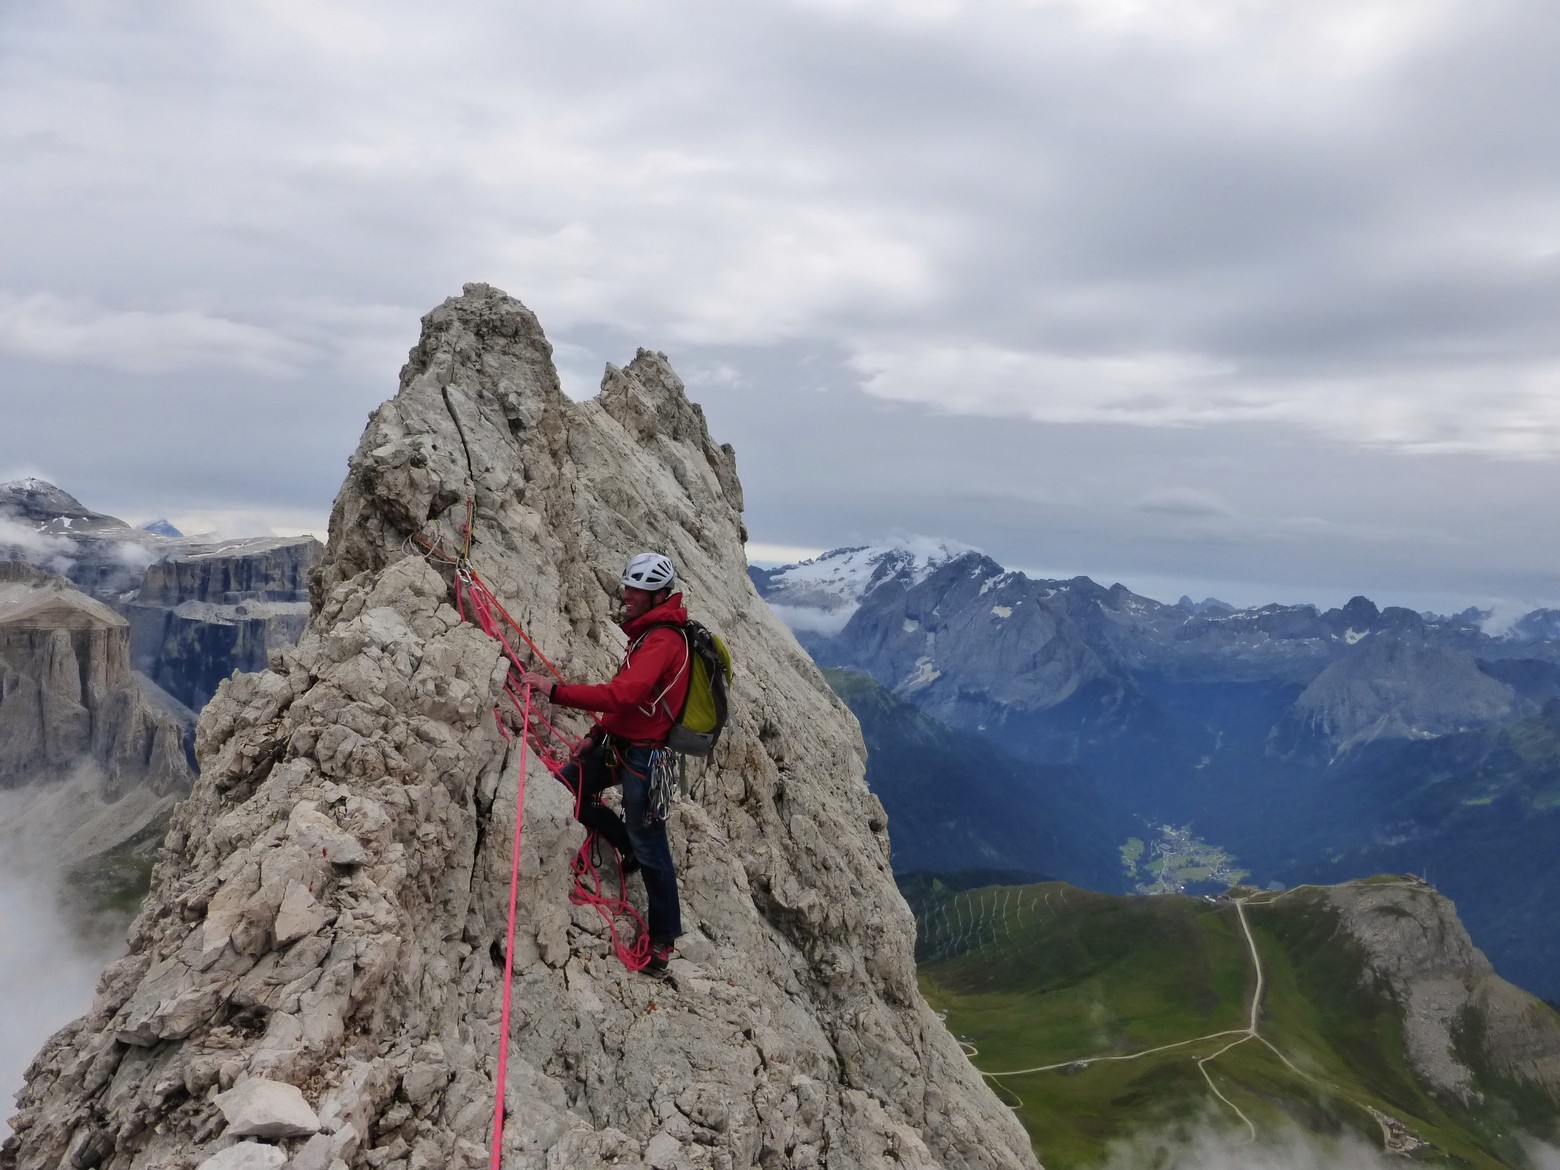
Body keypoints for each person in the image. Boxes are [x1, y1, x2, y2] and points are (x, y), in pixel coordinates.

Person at [519, 551, 690, 975]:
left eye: (638, 590)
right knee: (566, 788)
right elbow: (630, 700)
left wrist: (553, 691)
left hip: (647, 756)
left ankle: (665, 940)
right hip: (619, 742)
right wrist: (594, 736)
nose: (627, 595)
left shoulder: (664, 641)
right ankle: (625, 841)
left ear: (658, 596)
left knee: (653, 848)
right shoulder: (645, 634)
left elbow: (620, 695)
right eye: (629, 586)